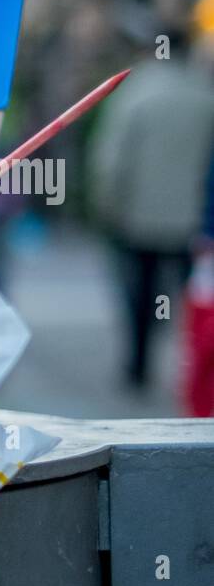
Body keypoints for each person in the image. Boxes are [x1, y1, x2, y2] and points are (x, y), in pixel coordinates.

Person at [89, 41, 214, 388]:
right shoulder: (204, 96)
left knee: (140, 292)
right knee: (186, 294)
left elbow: (111, 158)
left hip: (138, 215)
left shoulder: (135, 94)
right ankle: (190, 363)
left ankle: (138, 363)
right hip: (189, 217)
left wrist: (107, 203)